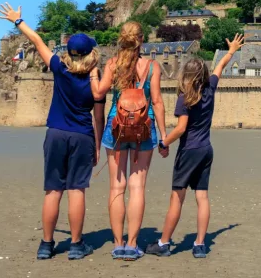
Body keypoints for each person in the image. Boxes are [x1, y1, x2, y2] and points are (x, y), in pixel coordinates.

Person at [0, 2, 98, 261]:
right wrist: (97, 145)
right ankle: (76, 245)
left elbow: (37, 41)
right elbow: (98, 113)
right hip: (82, 135)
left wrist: (18, 21)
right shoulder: (94, 79)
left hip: (55, 133)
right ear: (89, 53)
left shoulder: (59, 68)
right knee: (77, 190)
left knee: (53, 190)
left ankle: (46, 245)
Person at [146, 34, 244, 259]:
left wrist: (163, 143)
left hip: (189, 150)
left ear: (186, 75)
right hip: (206, 149)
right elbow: (220, 66)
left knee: (177, 198)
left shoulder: (185, 98)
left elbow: (181, 128)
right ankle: (200, 244)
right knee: (202, 197)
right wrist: (231, 51)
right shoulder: (210, 88)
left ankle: (163, 243)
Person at [94, 21, 167, 261]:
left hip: (116, 127)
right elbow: (156, 101)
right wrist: (164, 135)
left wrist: (93, 73)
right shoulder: (152, 66)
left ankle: (118, 244)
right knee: (137, 188)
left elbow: (99, 93)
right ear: (141, 40)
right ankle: (133, 244)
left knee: (116, 187)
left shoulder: (113, 64)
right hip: (144, 129)